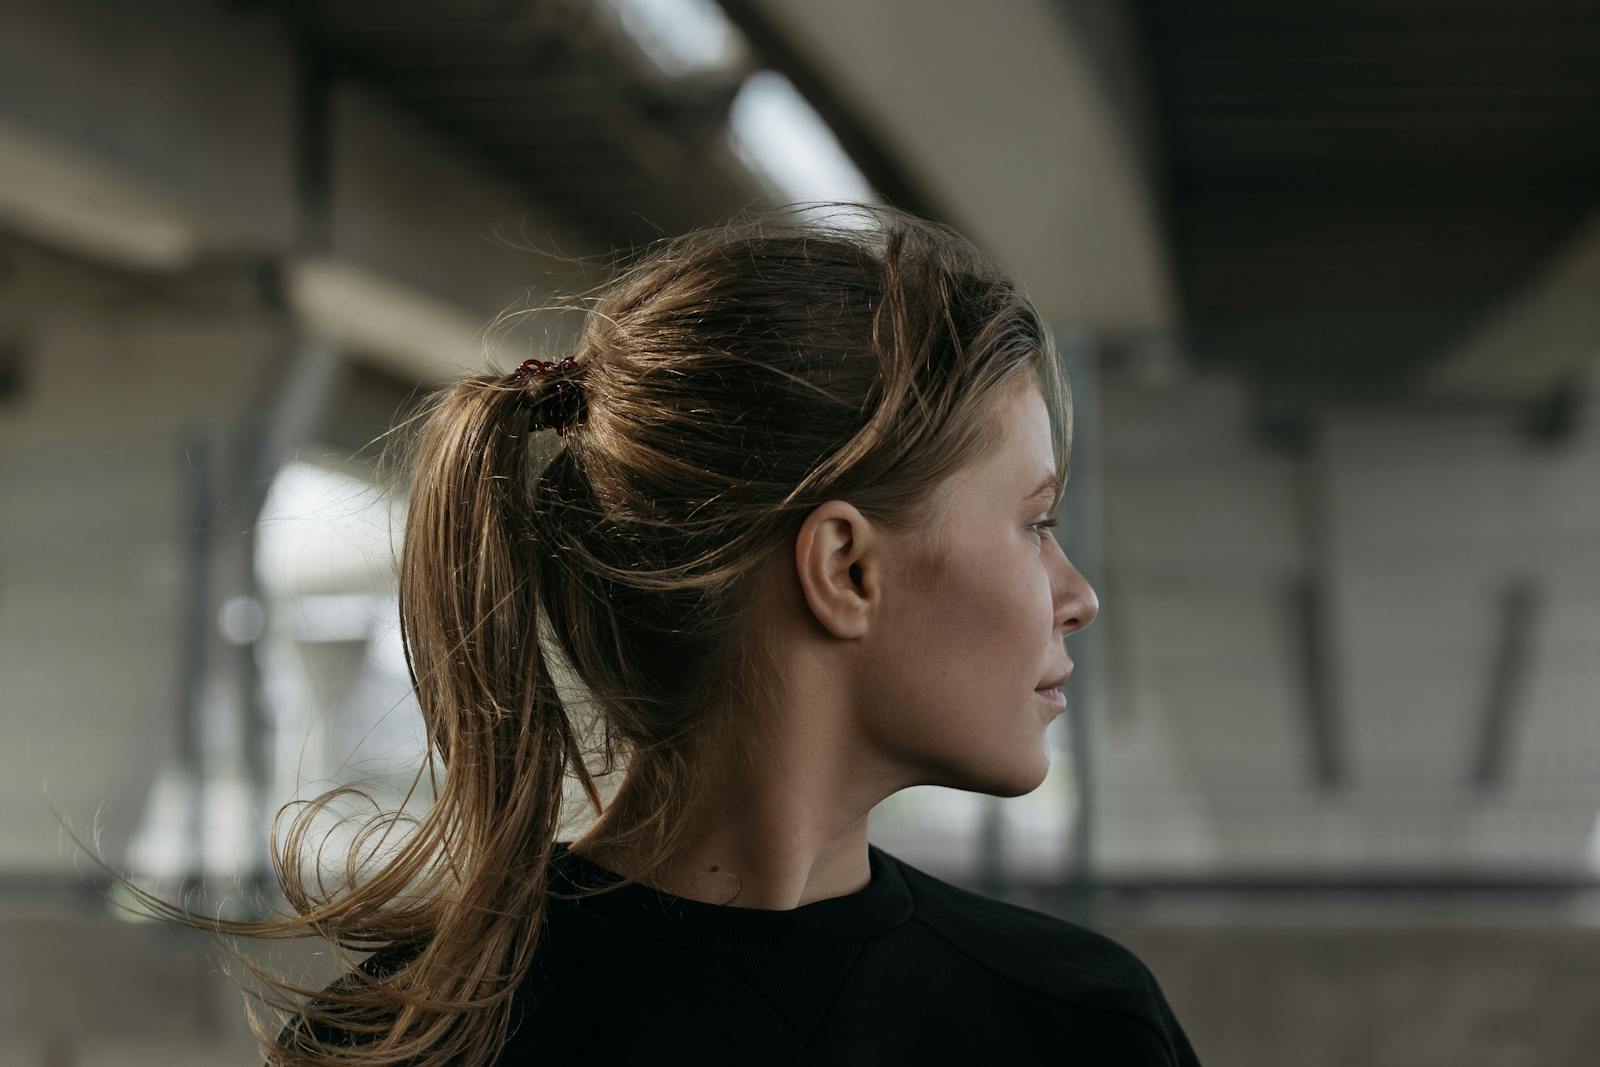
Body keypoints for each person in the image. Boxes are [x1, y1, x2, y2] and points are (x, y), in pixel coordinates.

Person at [111, 202, 1201, 1065]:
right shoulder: (1067, 1024)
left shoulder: (405, 1038)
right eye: (1035, 523)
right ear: (845, 568)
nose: (1076, 594)